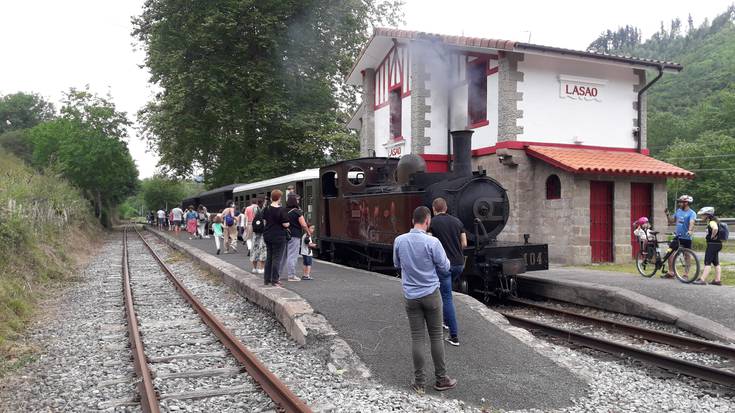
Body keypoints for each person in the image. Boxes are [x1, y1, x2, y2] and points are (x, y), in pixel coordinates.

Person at [393, 206, 457, 394]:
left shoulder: (399, 240)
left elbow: (397, 264)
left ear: (413, 220)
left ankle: (419, 382)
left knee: (417, 338)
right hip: (431, 294)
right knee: (436, 337)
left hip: (411, 296)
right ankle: (441, 379)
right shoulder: (433, 242)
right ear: (428, 221)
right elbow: (445, 267)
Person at [429, 198, 467, 347]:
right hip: (459, 264)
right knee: (446, 290)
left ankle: (454, 335)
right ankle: (445, 321)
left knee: (446, 297)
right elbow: (464, 243)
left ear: (434, 209)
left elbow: (430, 243)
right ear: (445, 208)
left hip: (444, 265)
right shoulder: (457, 222)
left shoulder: (432, 223)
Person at [263, 190, 290, 287]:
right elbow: (285, 224)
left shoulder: (266, 209)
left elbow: (265, 221)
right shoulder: (282, 210)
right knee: (277, 258)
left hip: (267, 235)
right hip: (279, 236)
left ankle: (267, 279)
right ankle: (275, 280)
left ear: (271, 198)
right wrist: (287, 224)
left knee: (269, 257)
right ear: (279, 198)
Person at [665, 195, 696, 278]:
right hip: (677, 237)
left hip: (686, 238)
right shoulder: (678, 211)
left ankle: (686, 274)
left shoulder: (692, 213)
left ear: (686, 203)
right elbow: (671, 221)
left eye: (681, 202)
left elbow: (692, 222)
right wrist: (667, 214)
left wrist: (690, 230)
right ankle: (671, 272)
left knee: (687, 256)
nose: (679, 203)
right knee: (669, 252)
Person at [284, 195, 311, 281]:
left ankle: (277, 275)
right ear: (295, 201)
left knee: (283, 256)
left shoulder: (284, 210)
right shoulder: (297, 212)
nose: (298, 201)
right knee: (292, 255)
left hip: (284, 235)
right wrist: (308, 232)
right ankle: (291, 275)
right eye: (298, 200)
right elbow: (303, 224)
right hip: (294, 235)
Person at [694, 207, 723, 286]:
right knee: (716, 262)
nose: (701, 217)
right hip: (718, 244)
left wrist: (712, 236)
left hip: (712, 244)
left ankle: (702, 279)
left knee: (707, 262)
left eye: (702, 215)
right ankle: (717, 280)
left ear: (707, 215)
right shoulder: (715, 221)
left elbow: (715, 229)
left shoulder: (712, 222)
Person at [250, 199, 267, 274]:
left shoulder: (253, 209)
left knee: (254, 249)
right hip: (263, 232)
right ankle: (261, 268)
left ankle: (254, 268)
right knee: (262, 249)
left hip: (255, 233)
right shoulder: (266, 209)